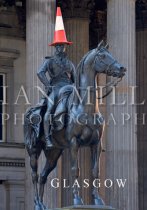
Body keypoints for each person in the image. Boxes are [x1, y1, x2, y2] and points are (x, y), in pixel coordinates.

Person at [37, 7, 75, 148]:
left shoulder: (70, 64)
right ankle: (47, 138)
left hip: (69, 88)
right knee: (49, 110)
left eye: (62, 45)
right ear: (55, 47)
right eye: (58, 46)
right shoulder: (49, 61)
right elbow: (40, 72)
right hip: (55, 88)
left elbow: (75, 79)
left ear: (65, 47)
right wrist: (47, 85)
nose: (60, 48)